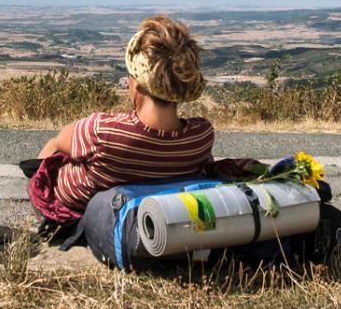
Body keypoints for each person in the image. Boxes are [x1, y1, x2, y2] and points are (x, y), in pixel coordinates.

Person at [30, 15, 231, 223]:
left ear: (138, 85)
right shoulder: (201, 135)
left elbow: (62, 139)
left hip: (78, 211)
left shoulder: (102, 131)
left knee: (53, 147)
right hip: (148, 218)